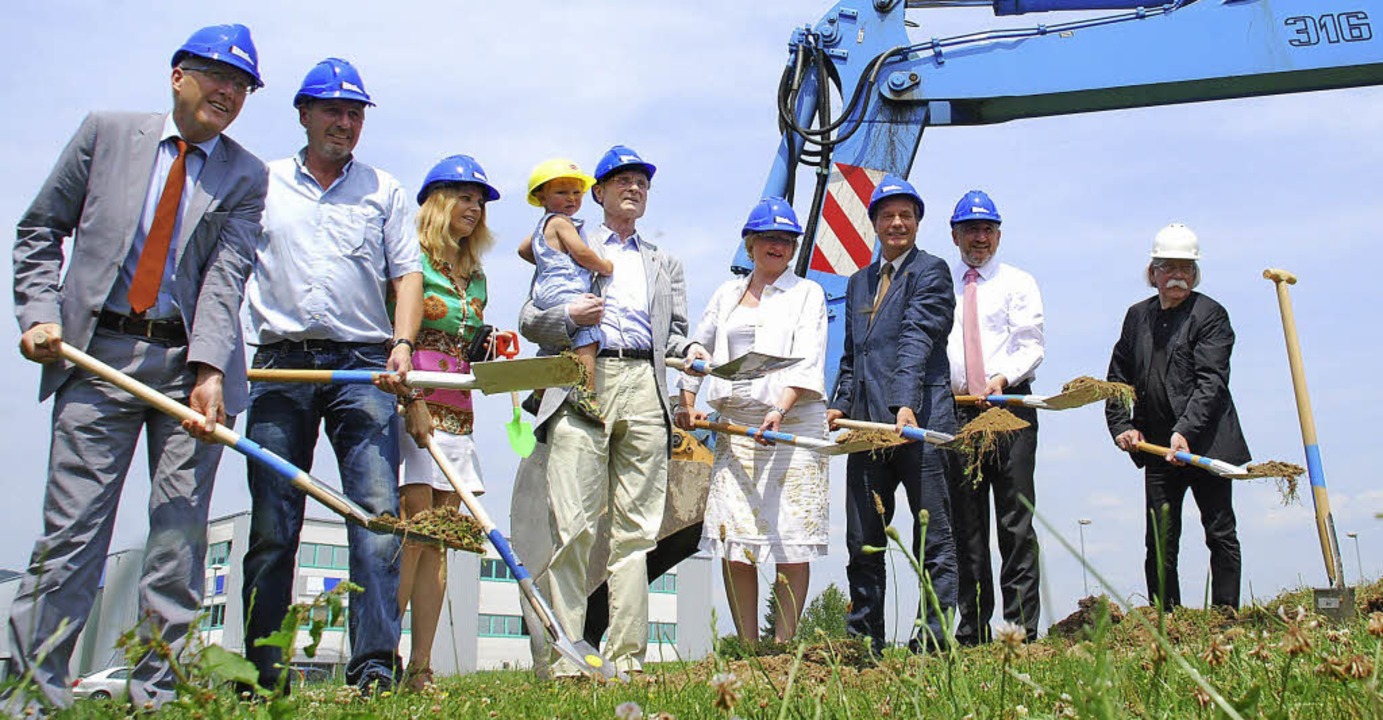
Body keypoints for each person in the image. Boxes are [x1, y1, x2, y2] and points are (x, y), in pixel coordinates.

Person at [6, 24, 267, 712]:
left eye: (241, 85)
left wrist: (210, 368)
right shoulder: (106, 133)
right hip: (95, 358)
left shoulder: (245, 174)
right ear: (178, 73)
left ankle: (161, 694)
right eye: (217, 76)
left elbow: (225, 275)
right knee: (73, 535)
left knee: (178, 536)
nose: (228, 93)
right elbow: (39, 229)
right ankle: (36, 693)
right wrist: (40, 312)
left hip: (188, 371)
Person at [240, 57, 422, 694]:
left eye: (355, 113)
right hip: (279, 364)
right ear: (303, 113)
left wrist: (403, 345)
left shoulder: (384, 191)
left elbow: (407, 276)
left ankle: (373, 665)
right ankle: (262, 671)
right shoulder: (261, 183)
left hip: (363, 368)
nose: (345, 123)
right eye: (333, 111)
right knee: (272, 522)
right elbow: (230, 270)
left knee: (375, 517)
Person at [515, 144, 706, 676]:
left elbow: (679, 335)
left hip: (645, 381)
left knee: (637, 529)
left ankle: (626, 658)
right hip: (582, 381)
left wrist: (690, 354)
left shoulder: (664, 262)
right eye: (622, 180)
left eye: (642, 181)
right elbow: (532, 317)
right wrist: (567, 313)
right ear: (596, 193)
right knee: (573, 523)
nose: (634, 188)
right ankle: (569, 655)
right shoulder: (566, 238)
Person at [674, 197, 829, 644]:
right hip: (736, 427)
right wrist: (687, 401)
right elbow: (696, 350)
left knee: (790, 535)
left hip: (792, 424)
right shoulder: (726, 294)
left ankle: (782, 644)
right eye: (768, 238)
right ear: (750, 243)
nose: (776, 246)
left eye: (785, 240)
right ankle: (747, 644)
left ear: (795, 247)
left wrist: (779, 410)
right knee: (735, 535)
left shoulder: (807, 294)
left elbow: (808, 359)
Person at [825, 174, 958, 655]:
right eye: (887, 215)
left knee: (932, 540)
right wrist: (840, 403)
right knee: (863, 540)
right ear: (875, 224)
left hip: (917, 423)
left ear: (918, 222)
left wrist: (906, 403)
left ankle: (934, 641)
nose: (896, 223)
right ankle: (865, 641)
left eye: (906, 215)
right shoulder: (859, 282)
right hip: (867, 430)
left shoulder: (932, 272)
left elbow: (917, 339)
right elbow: (851, 356)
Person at [393, 155, 499, 691]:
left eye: (479, 201)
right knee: (412, 535)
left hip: (461, 412)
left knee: (442, 540)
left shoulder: (476, 275)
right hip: (414, 405)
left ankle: (422, 667)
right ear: (437, 202)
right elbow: (392, 337)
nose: (474, 207)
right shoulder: (410, 260)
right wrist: (409, 399)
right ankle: (380, 655)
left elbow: (469, 345)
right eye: (464, 196)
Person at [1105, 223, 1248, 611]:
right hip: (1157, 448)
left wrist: (1185, 431)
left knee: (1219, 532)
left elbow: (1211, 383)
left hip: (1206, 445)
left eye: (1186, 268)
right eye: (1169, 267)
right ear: (1153, 273)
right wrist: (1123, 426)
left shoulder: (1211, 316)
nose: (1177, 276)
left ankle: (1225, 616)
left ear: (1196, 273)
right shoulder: (1137, 318)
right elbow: (1117, 380)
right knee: (1161, 538)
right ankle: (1167, 618)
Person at [941, 190, 1045, 645]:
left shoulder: (1018, 282)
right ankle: (972, 630)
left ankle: (1021, 628)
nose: (979, 238)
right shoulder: (941, 286)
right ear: (955, 235)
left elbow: (1031, 344)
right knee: (967, 525)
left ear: (998, 235)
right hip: (960, 415)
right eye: (970, 230)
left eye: (986, 230)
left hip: (1009, 409)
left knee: (1015, 521)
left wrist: (1000, 379)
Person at [517, 158, 610, 421]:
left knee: (554, 344)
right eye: (561, 192)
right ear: (541, 196)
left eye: (576, 192)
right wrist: (603, 266)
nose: (571, 199)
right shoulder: (561, 222)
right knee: (587, 333)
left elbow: (524, 250)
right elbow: (581, 252)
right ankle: (586, 392)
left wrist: (548, 260)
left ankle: (538, 393)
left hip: (545, 291)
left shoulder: (541, 226)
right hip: (564, 290)